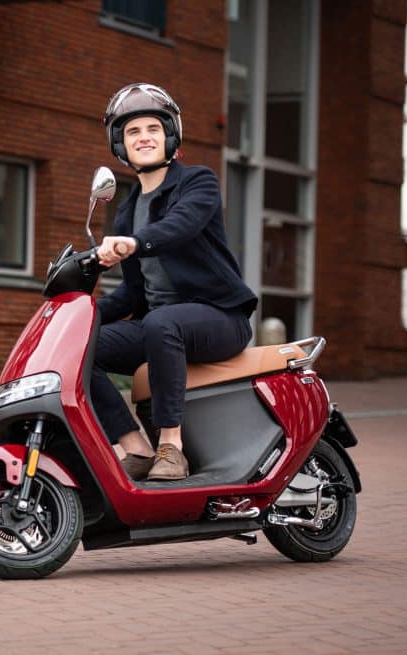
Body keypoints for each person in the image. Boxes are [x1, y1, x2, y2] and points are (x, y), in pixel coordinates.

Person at [92, 82, 257, 481]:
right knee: (83, 344)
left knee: (162, 323)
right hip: (160, 325)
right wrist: (80, 313)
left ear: (169, 136)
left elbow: (179, 227)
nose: (144, 137)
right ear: (120, 144)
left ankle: (172, 447)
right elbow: (134, 292)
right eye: (133, 131)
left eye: (152, 128)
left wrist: (134, 243)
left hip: (220, 319)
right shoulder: (128, 211)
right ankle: (135, 446)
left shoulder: (197, 183)